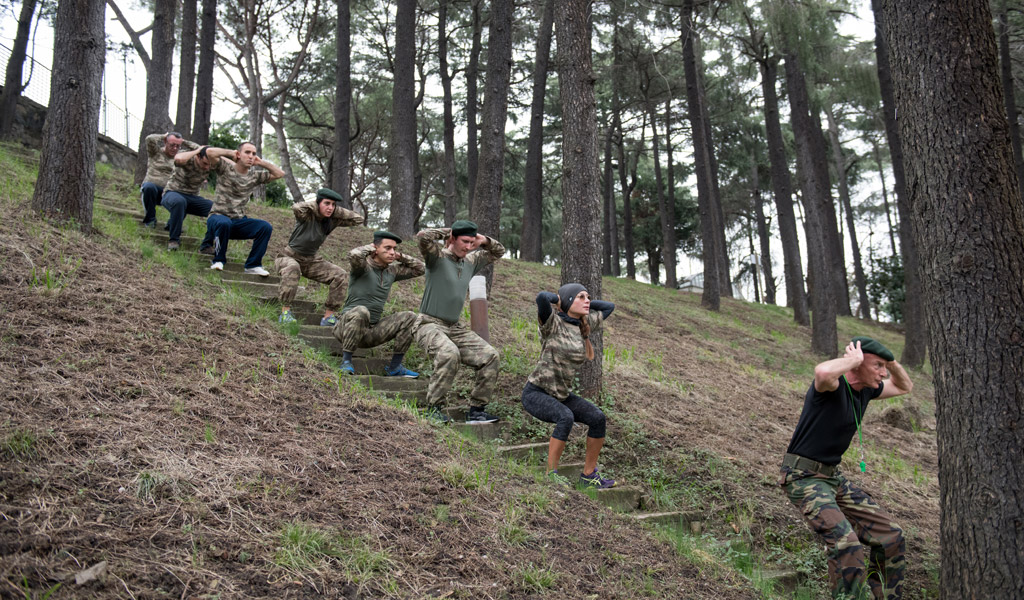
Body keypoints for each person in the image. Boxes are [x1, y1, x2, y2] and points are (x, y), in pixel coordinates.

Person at [780, 337, 913, 600]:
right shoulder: (832, 386)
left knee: (892, 537)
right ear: (858, 362)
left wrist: (892, 361)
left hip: (832, 478)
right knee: (846, 543)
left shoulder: (867, 390)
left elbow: (904, 386)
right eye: (878, 365)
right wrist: (852, 360)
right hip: (803, 476)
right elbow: (822, 371)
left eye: (885, 367)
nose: (883, 373)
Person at [521, 283, 616, 489]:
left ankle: (589, 475)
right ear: (569, 301)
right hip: (536, 392)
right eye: (581, 297)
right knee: (565, 417)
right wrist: (561, 300)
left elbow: (609, 307)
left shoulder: (585, 323)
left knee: (597, 418)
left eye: (588, 297)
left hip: (561, 395)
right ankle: (551, 474)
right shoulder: (552, 323)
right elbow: (541, 297)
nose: (588, 300)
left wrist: (581, 303)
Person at [414, 220, 504, 423]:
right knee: (449, 353)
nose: (468, 246)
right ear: (452, 239)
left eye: (472, 242)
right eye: (464, 241)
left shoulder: (471, 261)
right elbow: (422, 237)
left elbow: (498, 251)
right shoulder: (436, 257)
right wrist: (449, 231)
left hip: (455, 328)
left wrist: (484, 240)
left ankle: (477, 410)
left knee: (490, 356)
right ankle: (433, 409)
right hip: (428, 324)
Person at [333, 231, 425, 377]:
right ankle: (346, 362)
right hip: (345, 328)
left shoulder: (392, 271)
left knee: (410, 317)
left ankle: (395, 367)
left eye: (394, 249)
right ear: (375, 249)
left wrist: (401, 256)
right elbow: (354, 255)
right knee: (362, 311)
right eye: (387, 248)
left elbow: (421, 268)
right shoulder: (362, 267)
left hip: (371, 332)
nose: (392, 252)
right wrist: (369, 248)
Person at [275, 188, 364, 325]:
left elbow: (358, 219)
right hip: (288, 257)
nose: (330, 208)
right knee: (293, 267)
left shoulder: (332, 220)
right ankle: (285, 313)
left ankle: (328, 317)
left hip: (311, 261)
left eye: (333, 205)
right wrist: (315, 206)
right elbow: (297, 207)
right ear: (318, 203)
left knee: (340, 275)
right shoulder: (306, 215)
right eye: (326, 203)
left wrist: (334, 211)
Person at [202, 142, 284, 277]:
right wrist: (230, 153)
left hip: (237, 222)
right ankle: (218, 260)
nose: (251, 156)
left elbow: (279, 173)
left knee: (265, 227)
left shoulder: (254, 176)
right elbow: (209, 152)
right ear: (239, 154)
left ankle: (253, 265)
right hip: (217, 219)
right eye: (247, 152)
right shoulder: (225, 168)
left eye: (254, 153)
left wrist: (261, 162)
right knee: (224, 223)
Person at [161, 145, 216, 251]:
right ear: (198, 156)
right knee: (179, 202)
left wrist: (219, 153)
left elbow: (233, 166)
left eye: (209, 165)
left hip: (192, 197)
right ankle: (174, 241)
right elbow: (178, 159)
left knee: (217, 209)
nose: (207, 168)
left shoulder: (212, 162)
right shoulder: (187, 156)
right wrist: (198, 150)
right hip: (172, 193)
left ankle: (207, 245)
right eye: (204, 163)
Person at [140, 131, 198, 229]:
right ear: (165, 142)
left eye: (177, 146)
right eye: (172, 145)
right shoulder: (156, 152)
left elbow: (200, 150)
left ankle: (172, 224)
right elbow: (149, 139)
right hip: (153, 191)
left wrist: (183, 142)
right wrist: (164, 136)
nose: (174, 148)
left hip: (170, 193)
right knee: (148, 187)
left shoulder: (181, 156)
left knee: (185, 198)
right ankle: (150, 220)